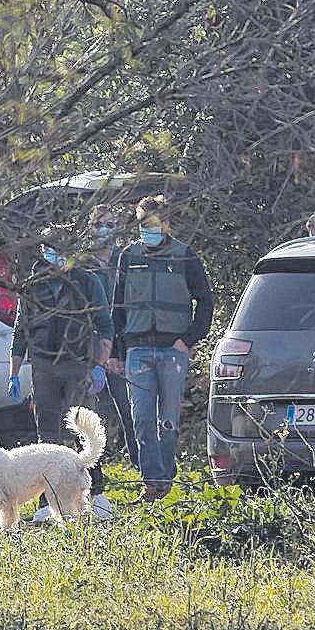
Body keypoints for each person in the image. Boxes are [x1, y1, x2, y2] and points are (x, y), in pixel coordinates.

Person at [109, 196, 214, 502]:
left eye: (154, 224)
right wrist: (116, 351)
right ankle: (152, 482)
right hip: (137, 351)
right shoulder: (128, 255)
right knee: (141, 418)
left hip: (173, 351)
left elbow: (205, 301)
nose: (149, 229)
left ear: (166, 223)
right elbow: (118, 306)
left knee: (167, 422)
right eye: (143, 224)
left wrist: (190, 338)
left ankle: (165, 478)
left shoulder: (185, 255)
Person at [8, 227, 114, 522]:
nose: (52, 253)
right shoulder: (31, 284)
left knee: (83, 431)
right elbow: (20, 331)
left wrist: (99, 365)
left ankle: (98, 495)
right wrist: (13, 373)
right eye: (48, 247)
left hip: (78, 364)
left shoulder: (87, 281)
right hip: (43, 367)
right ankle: (47, 503)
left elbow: (105, 326)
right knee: (48, 436)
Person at [85, 205, 138, 469]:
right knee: (87, 415)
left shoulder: (125, 259)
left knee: (130, 411)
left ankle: (140, 466)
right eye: (99, 225)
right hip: (89, 350)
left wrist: (114, 351)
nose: (104, 231)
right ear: (89, 229)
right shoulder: (81, 263)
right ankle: (93, 471)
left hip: (120, 347)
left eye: (109, 225)